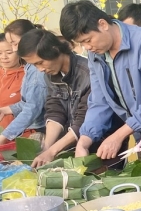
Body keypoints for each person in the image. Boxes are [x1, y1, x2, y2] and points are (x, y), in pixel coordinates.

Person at [60, 0, 141, 167]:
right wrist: (85, 139)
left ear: (102, 24)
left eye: (88, 40)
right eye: (82, 43)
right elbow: (99, 101)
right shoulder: (96, 55)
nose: (87, 48)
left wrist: (118, 136)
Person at [17, 30, 91, 168]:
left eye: (40, 62)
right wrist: (46, 148)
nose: (40, 69)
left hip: (97, 146)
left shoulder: (88, 72)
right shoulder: (51, 74)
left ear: (55, 50)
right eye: (34, 65)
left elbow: (84, 120)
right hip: (70, 145)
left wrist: (52, 151)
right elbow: (55, 109)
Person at [1, 20, 47, 144]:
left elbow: (32, 108)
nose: (15, 49)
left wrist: (5, 136)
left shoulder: (37, 69)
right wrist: (5, 110)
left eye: (14, 44)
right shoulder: (29, 67)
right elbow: (26, 103)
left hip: (38, 129)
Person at [0, 33, 25, 135]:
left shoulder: (27, 75)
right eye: (0, 53)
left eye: (9, 53)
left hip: (16, 136)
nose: (4, 57)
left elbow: (33, 105)